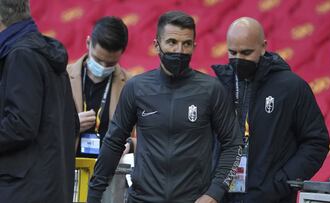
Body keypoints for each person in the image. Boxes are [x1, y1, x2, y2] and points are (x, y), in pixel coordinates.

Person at [87, 11, 242, 203]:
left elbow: (233, 144)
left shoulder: (211, 90)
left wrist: (215, 192)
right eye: (171, 42)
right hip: (142, 199)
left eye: (186, 44)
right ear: (156, 45)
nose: (179, 50)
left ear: (194, 46)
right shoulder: (136, 88)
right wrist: (94, 195)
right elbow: (113, 143)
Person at [212, 17, 330, 203]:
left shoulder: (292, 88)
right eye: (232, 52)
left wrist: (280, 183)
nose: (238, 59)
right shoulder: (218, 87)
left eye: (246, 52)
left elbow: (316, 143)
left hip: (271, 198)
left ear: (263, 46)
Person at [0, 0, 78, 202]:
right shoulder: (42, 52)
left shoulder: (21, 56)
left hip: (22, 190)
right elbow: (73, 124)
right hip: (48, 188)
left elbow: (20, 125)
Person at [66, 16, 134, 202]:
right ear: (88, 42)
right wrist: (71, 124)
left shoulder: (131, 85)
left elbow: (145, 134)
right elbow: (42, 129)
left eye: (110, 63)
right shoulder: (62, 77)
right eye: (98, 59)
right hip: (68, 172)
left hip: (110, 177)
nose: (103, 67)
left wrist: (131, 144)